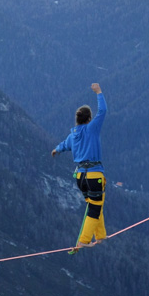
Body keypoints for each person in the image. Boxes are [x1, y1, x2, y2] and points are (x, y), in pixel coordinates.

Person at [52, 83, 107, 251]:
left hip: (80, 177)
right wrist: (99, 92)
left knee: (94, 204)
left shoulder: (73, 135)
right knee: (95, 208)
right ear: (89, 119)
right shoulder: (92, 129)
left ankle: (100, 235)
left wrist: (56, 150)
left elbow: (64, 145)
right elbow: (103, 111)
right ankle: (83, 240)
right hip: (93, 175)